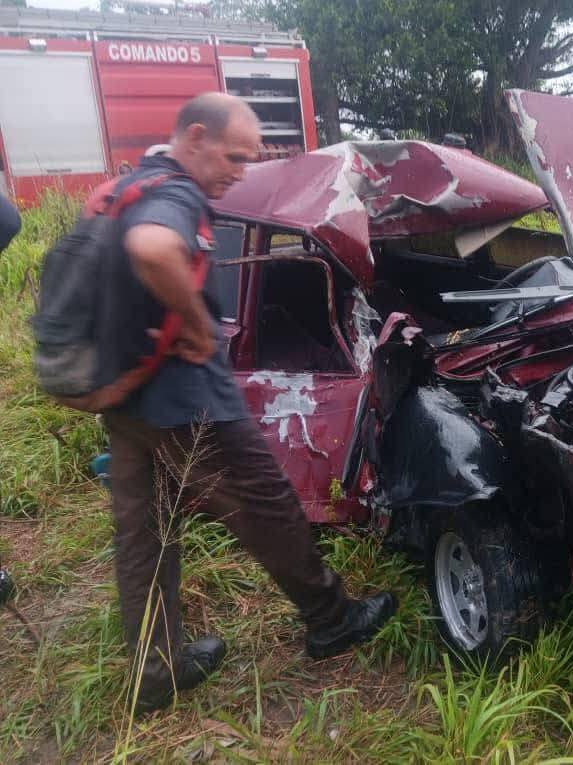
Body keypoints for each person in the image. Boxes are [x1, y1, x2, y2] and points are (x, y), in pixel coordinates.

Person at [100, 92, 395, 713]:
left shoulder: (132, 182)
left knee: (145, 533)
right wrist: (195, 322)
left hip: (124, 391)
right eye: (235, 157)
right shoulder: (174, 194)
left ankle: (156, 670)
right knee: (266, 500)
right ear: (196, 136)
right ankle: (331, 617)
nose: (242, 170)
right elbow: (153, 250)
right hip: (182, 396)